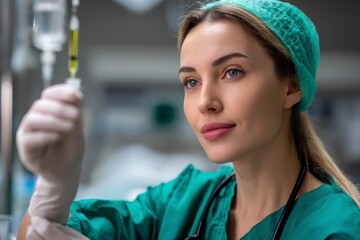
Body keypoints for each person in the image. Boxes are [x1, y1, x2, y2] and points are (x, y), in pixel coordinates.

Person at [16, 0, 360, 239]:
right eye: (191, 82)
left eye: (232, 72)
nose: (205, 102)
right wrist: (53, 190)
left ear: (292, 86)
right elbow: (34, 233)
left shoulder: (336, 228)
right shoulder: (185, 203)